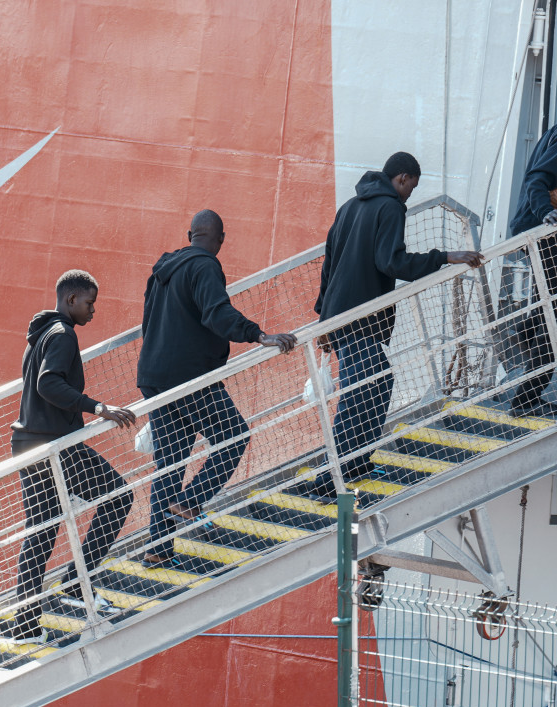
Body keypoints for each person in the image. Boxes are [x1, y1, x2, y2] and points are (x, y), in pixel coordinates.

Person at [311, 152, 483, 495]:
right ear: (401, 178)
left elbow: (329, 265)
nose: (410, 195)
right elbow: (392, 262)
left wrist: (324, 319)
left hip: (341, 315)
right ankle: (330, 478)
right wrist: (447, 256)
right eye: (411, 186)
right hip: (361, 316)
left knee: (378, 384)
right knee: (358, 395)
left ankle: (356, 461)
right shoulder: (390, 207)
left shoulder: (349, 207)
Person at [137, 210, 298, 565]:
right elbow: (217, 313)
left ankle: (158, 548)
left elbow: (148, 323)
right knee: (234, 435)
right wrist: (259, 335)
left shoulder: (163, 269)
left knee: (170, 463)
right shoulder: (205, 266)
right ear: (220, 239)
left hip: (154, 376)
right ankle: (192, 500)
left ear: (189, 233)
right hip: (189, 377)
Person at [9, 270, 137, 643]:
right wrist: (98, 408)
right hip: (54, 446)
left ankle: (26, 624)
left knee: (42, 530)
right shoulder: (64, 335)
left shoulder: (41, 335)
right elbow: (48, 384)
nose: (93, 310)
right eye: (89, 302)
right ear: (71, 300)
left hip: (29, 443)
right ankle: (80, 583)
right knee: (118, 496)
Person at [507, 125, 557, 416]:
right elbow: (536, 179)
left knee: (545, 308)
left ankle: (526, 327)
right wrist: (544, 212)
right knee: (553, 320)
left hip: (538, 233)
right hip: (543, 233)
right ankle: (525, 400)